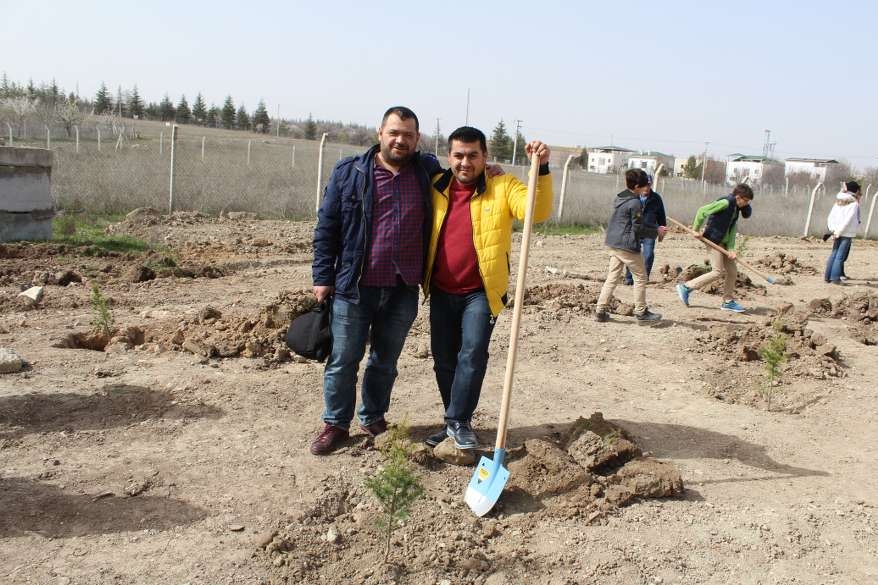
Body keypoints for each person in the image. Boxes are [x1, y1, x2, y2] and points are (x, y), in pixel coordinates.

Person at [309, 106, 441, 456]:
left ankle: (373, 417)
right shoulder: (349, 172)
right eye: (394, 132)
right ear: (380, 133)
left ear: (417, 139)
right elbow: (327, 228)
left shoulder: (427, 172)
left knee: (385, 361)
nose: (401, 140)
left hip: (403, 287)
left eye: (409, 134)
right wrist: (322, 276)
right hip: (355, 286)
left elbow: (465, 175)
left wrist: (491, 170)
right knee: (343, 359)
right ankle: (336, 424)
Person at [421, 126, 553, 449]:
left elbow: (536, 210)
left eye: (473, 155)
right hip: (440, 290)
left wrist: (543, 168)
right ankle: (453, 420)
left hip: (480, 292)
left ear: (485, 157)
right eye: (458, 155)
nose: (465, 162)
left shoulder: (502, 185)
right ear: (449, 157)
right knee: (443, 358)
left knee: (472, 353)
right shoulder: (435, 186)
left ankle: (460, 421)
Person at [594, 168, 662, 323]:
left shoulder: (621, 197)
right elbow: (638, 229)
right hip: (626, 245)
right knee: (641, 276)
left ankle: (600, 310)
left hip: (613, 242)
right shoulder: (635, 203)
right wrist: (656, 232)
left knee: (612, 277)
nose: (647, 188)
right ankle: (641, 312)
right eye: (644, 186)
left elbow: (633, 222)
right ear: (637, 186)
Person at [675, 184, 754, 312]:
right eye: (746, 201)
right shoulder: (725, 203)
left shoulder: (735, 209)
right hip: (713, 240)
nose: (746, 204)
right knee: (717, 271)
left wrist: (731, 249)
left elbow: (732, 230)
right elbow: (702, 211)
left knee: (732, 271)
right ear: (738, 197)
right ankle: (686, 287)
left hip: (724, 243)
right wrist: (695, 229)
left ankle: (727, 301)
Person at [623, 174, 667, 285]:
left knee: (648, 255)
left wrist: (662, 231)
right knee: (632, 254)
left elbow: (662, 217)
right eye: (644, 185)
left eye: (648, 185)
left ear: (651, 184)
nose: (646, 188)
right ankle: (629, 278)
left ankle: (644, 277)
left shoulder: (656, 199)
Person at [824, 181, 862, 285]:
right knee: (840, 256)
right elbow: (848, 220)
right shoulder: (853, 204)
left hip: (836, 231)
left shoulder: (838, 201)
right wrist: (840, 231)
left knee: (834, 254)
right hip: (846, 232)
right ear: (855, 190)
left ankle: (828, 277)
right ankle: (835, 278)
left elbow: (831, 216)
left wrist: (833, 230)